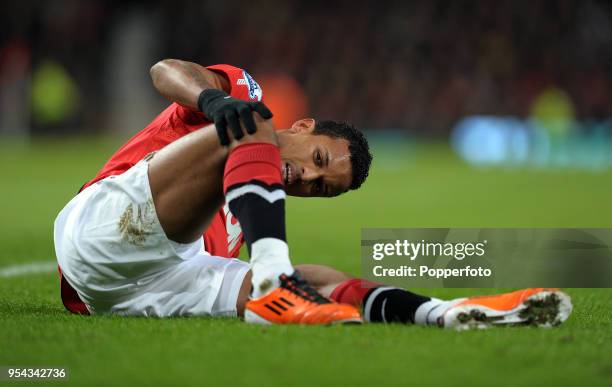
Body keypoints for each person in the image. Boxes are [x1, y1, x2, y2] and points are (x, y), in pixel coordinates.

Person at [53, 60, 572, 328]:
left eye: (321, 187)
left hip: (131, 290)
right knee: (254, 122)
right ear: (302, 127)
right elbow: (164, 70)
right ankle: (274, 278)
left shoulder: (249, 209)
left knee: (315, 279)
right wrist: (213, 101)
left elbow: (190, 268)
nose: (305, 177)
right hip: (101, 225)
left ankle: (441, 312)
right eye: (317, 159)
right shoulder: (243, 108)